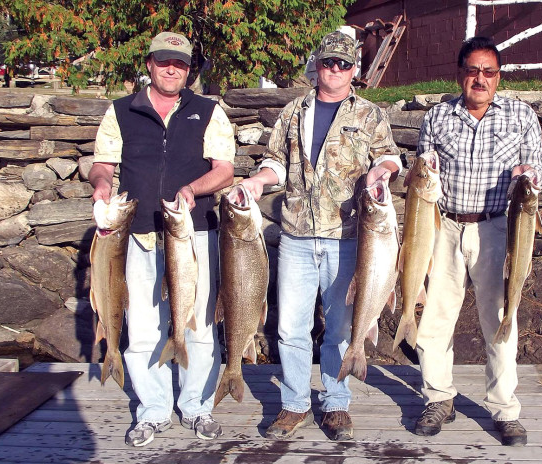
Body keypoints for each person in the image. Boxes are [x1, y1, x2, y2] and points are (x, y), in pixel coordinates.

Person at [241, 31, 402, 441]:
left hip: (350, 239)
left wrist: (381, 171)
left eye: (343, 64)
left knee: (340, 328)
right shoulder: (293, 112)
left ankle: (335, 403)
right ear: (317, 65)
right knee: (290, 328)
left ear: (354, 70)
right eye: (328, 62)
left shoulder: (369, 114)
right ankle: (294, 404)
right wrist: (260, 180)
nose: (335, 69)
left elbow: (388, 156)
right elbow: (276, 162)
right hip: (296, 236)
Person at [88, 31, 235, 447]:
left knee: (199, 325)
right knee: (144, 328)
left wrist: (194, 189)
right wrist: (101, 185)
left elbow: (224, 168)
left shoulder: (209, 111)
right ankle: (152, 410)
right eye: (164, 61)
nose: (173, 68)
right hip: (135, 238)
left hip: (193, 234)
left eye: (182, 63)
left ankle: (197, 406)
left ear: (190, 70)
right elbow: (102, 165)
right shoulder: (120, 111)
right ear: (150, 64)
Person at [412, 36, 542, 447]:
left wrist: (529, 174)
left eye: (489, 72)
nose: (480, 79)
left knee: (501, 319)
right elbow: (422, 171)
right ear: (460, 74)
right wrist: (424, 162)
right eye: (473, 71)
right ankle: (438, 398)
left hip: (494, 229)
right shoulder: (437, 117)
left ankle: (504, 409)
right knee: (435, 320)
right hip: (445, 226)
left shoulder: (521, 116)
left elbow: (537, 170)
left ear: (498, 77)